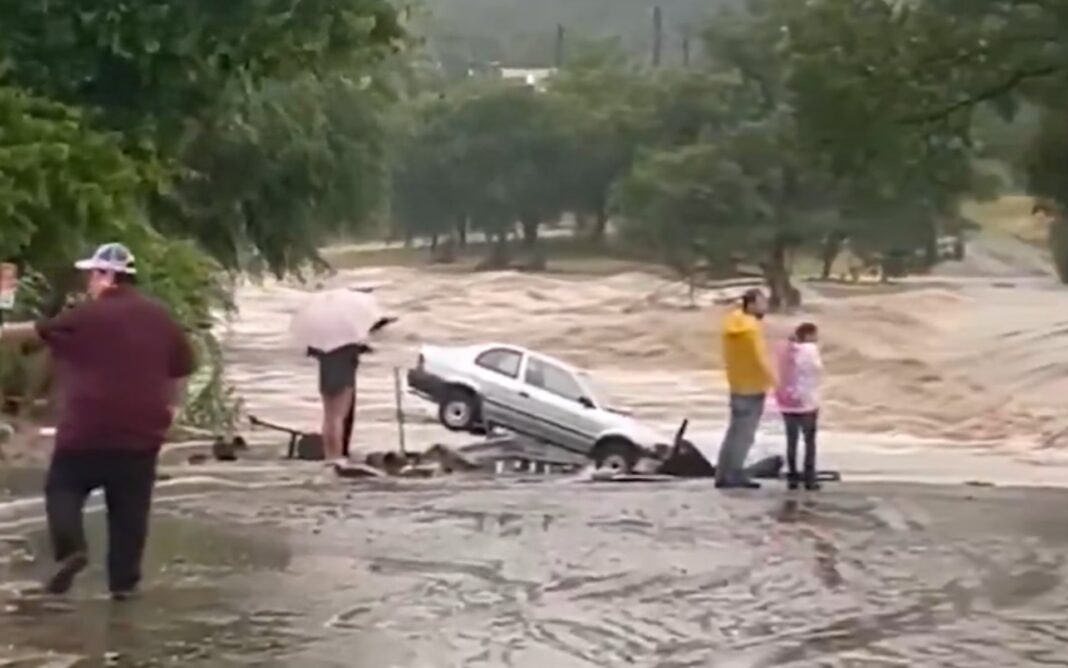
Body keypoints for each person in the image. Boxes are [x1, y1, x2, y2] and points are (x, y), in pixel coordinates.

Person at [0, 243, 195, 599]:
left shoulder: (88, 315)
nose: (89, 282)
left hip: (87, 431)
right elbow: (183, 369)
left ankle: (71, 549)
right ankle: (123, 590)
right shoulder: (160, 317)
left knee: (63, 488)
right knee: (130, 517)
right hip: (141, 435)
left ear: (106, 276)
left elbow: (36, 331)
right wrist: (172, 410)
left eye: (93, 274)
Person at [716, 288, 776, 489]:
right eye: (762, 302)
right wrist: (775, 381)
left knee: (733, 432)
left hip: (736, 383)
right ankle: (734, 475)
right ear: (751, 304)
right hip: (753, 386)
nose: (765, 306)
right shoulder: (751, 329)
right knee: (744, 435)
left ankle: (722, 473)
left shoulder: (731, 323)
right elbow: (759, 357)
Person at [775, 322, 824, 491]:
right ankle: (809, 478)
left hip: (786, 401)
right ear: (809, 335)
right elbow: (817, 369)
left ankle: (793, 476)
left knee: (791, 440)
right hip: (806, 401)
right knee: (809, 440)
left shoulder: (785, 349)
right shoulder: (810, 349)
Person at [307, 344, 361, 463]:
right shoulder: (347, 340)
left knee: (329, 417)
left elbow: (313, 351)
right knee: (338, 417)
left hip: (326, 373)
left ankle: (330, 455)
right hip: (344, 373)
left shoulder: (324, 339)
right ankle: (337, 456)